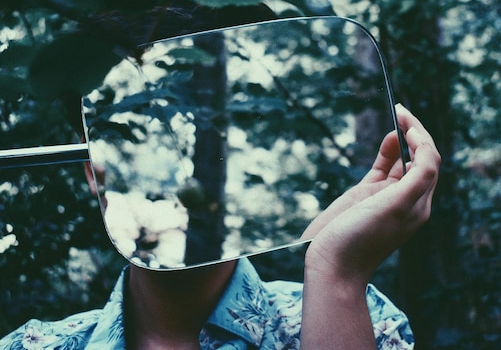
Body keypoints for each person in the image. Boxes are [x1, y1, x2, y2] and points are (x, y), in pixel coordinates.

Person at [0, 101, 439, 350]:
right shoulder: (32, 347)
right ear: (92, 172)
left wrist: (338, 278)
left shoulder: (363, 318)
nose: (186, 185)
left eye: (212, 148)